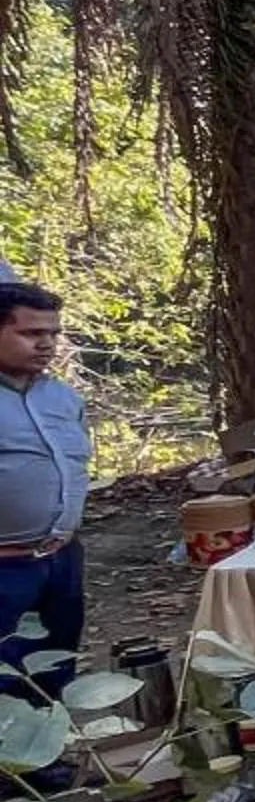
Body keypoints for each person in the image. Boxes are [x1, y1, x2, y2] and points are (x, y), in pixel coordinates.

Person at [0, 282, 89, 705]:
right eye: (31, 333)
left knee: (54, 667)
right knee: (6, 680)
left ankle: (52, 742)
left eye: (52, 333)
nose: (47, 344)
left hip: (60, 559)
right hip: (5, 567)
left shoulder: (62, 397)